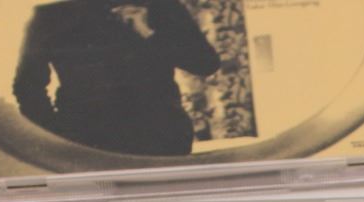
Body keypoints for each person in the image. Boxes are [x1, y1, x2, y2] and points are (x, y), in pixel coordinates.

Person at [12, 0, 221, 156]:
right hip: (86, 141)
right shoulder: (52, 16)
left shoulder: (160, 6)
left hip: (159, 137)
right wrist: (57, 137)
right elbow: (27, 87)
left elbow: (206, 63)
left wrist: (149, 34)